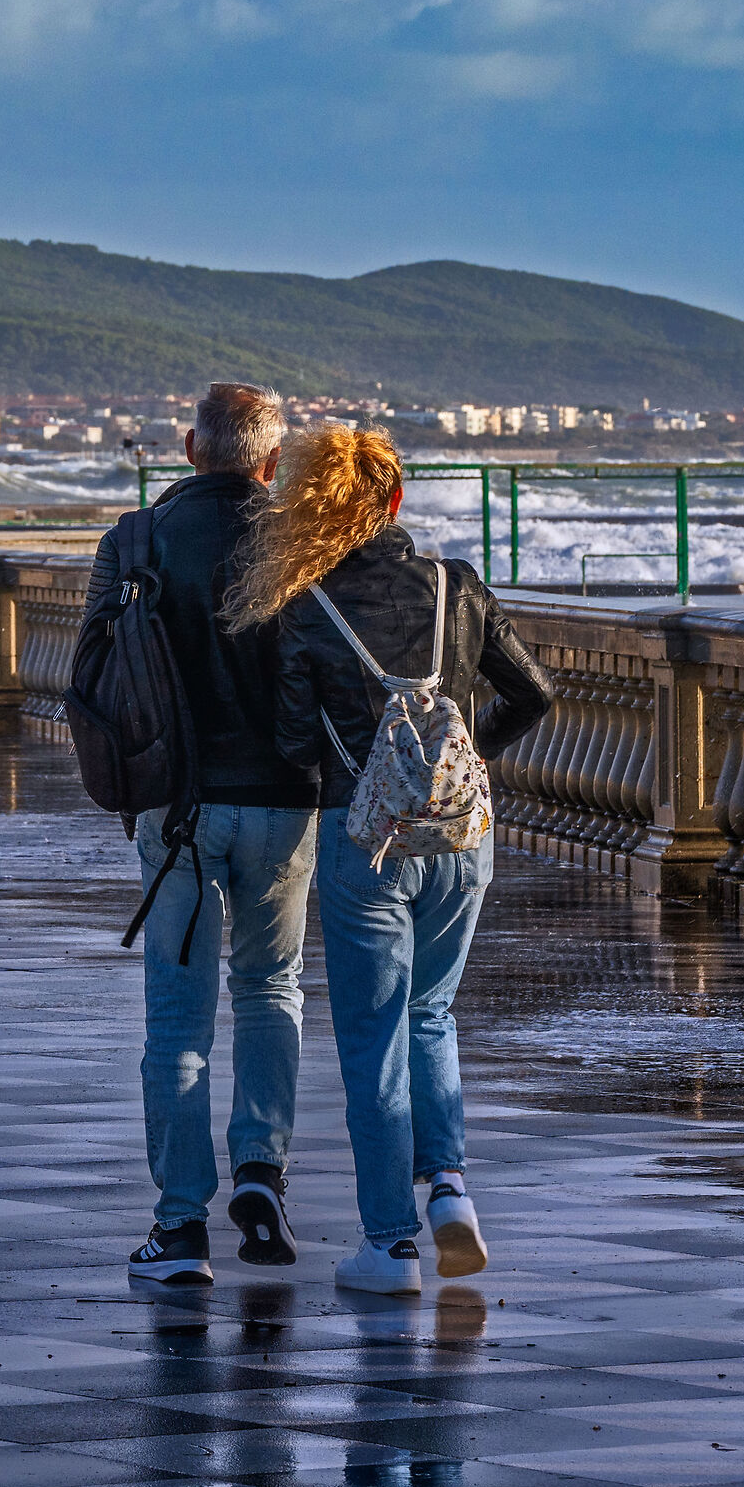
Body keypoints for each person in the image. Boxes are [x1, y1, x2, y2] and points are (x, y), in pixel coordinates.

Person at [224, 423, 552, 1295]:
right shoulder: (458, 585)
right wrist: (464, 754)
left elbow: (296, 738)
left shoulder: (308, 605)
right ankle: (449, 1190)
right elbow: (536, 690)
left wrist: (362, 763)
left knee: (373, 1040)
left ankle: (390, 1245)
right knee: (434, 1016)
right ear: (397, 500)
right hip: (461, 837)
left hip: (363, 840)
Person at [86, 383, 320, 1287]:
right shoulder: (295, 541)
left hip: (176, 808)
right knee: (273, 989)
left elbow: (95, 676)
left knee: (177, 1022)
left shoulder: (135, 540)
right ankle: (261, 1171)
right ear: (270, 461)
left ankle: (180, 1228)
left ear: (189, 447)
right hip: (281, 803)